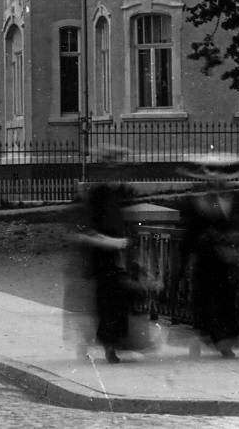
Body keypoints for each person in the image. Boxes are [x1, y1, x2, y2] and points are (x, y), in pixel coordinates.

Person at [71, 146, 146, 363]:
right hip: (102, 256)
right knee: (107, 301)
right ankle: (109, 345)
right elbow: (87, 230)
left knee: (116, 301)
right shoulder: (97, 194)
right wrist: (112, 242)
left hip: (118, 256)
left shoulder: (120, 193)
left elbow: (127, 222)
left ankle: (112, 342)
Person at [180, 152, 239, 357]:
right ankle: (206, 336)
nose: (217, 182)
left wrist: (236, 237)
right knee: (205, 298)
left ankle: (224, 340)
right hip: (205, 258)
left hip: (227, 259)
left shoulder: (234, 200)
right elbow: (190, 234)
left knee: (226, 298)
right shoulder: (197, 202)